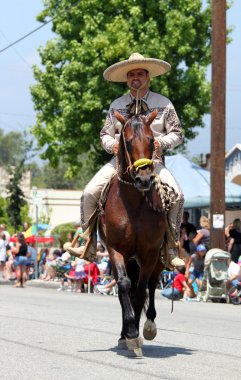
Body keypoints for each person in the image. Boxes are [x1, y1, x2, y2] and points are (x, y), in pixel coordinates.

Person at [67, 52, 185, 267]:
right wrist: (112, 145)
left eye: (140, 73)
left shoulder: (164, 104)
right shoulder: (116, 105)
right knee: (89, 193)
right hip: (120, 162)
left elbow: (177, 132)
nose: (135, 78)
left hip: (153, 162)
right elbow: (105, 133)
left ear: (148, 77)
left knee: (177, 195)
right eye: (131, 74)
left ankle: (170, 248)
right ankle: (88, 243)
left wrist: (161, 143)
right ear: (127, 79)